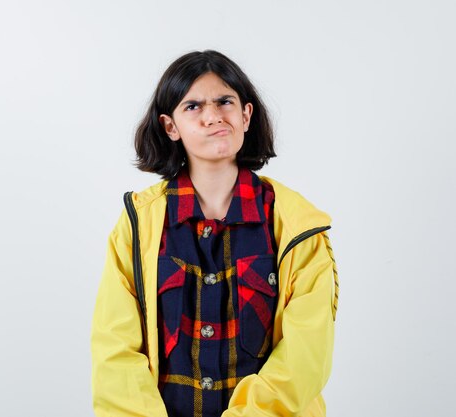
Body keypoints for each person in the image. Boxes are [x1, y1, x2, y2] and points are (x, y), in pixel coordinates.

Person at [90, 50, 339, 417]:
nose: (213, 116)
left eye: (225, 101)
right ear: (170, 127)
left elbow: (306, 354)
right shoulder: (138, 223)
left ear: (245, 115)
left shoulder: (298, 226)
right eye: (192, 106)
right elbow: (115, 351)